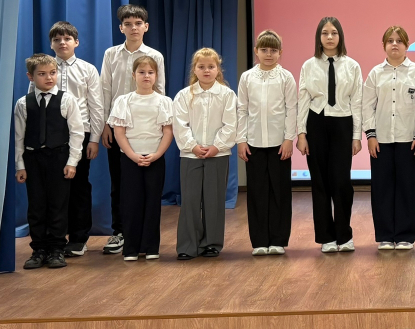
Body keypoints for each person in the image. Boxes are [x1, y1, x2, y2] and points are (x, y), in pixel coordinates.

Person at [100, 4, 165, 255]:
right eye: (128, 24)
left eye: (138, 23)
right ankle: (120, 232)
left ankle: (144, 237)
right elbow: (105, 90)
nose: (133, 28)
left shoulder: (155, 56)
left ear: (146, 27)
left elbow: (160, 90)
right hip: (118, 127)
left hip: (147, 129)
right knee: (119, 183)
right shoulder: (111, 54)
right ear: (121, 28)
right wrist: (106, 124)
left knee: (147, 186)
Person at [297, 17, 362, 253]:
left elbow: (357, 101)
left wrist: (356, 136)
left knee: (342, 182)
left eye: (334, 33)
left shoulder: (352, 66)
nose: (330, 37)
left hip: (343, 123)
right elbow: (303, 100)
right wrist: (301, 134)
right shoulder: (309, 65)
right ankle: (326, 237)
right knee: (320, 183)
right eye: (325, 33)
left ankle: (344, 235)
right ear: (319, 37)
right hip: (316, 123)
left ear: (340, 36)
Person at [14, 54, 85, 269]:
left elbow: (77, 132)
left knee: (58, 204)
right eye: (42, 74)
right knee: (36, 205)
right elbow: (18, 137)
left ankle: (56, 249)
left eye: (53, 73)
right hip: (33, 158)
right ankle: (38, 249)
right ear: (31, 77)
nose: (49, 78)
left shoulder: (67, 100)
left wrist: (72, 162)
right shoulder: (23, 103)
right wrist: (20, 165)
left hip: (59, 158)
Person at [39, 21, 102, 258]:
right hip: (50, 136)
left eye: (67, 39)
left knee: (78, 187)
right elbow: (34, 101)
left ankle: (78, 238)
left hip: (80, 134)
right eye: (57, 39)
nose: (62, 43)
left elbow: (96, 106)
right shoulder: (44, 68)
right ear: (51, 44)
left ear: (76, 42)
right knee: (52, 188)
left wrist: (94, 139)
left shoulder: (88, 70)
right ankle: (54, 238)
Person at [364, 25, 415, 250]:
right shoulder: (375, 73)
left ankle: (405, 236)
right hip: (381, 141)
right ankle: (385, 235)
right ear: (384, 45)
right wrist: (370, 135)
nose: (394, 44)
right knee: (382, 189)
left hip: (409, 140)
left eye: (399, 41)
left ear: (407, 45)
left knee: (407, 188)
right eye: (390, 40)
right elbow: (367, 106)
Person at [237, 30, 298, 256]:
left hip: (279, 144)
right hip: (253, 143)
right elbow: (242, 109)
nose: (268, 54)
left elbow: (292, 109)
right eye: (264, 50)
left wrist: (288, 138)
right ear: (256, 51)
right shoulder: (247, 77)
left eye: (273, 50)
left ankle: (278, 240)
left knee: (279, 192)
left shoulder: (286, 77)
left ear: (280, 52)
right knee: (257, 192)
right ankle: (260, 242)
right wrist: (241, 140)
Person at [107, 55, 174, 261]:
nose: (146, 76)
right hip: (130, 158)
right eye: (142, 72)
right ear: (133, 75)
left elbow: (168, 132)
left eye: (150, 72)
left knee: (153, 201)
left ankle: (151, 247)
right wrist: (133, 155)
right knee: (130, 202)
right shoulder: (123, 101)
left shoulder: (164, 101)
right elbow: (119, 132)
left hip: (155, 158)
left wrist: (156, 155)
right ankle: (131, 248)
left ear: (156, 76)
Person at [174, 48, 238, 260]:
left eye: (211, 66)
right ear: (194, 69)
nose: (206, 70)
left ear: (218, 69)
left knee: (214, 200)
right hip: (190, 155)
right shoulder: (184, 95)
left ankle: (211, 243)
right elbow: (180, 125)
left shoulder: (227, 95)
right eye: (201, 67)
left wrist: (216, 146)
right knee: (190, 200)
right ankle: (188, 246)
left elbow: (231, 125)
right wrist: (192, 146)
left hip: (218, 154)